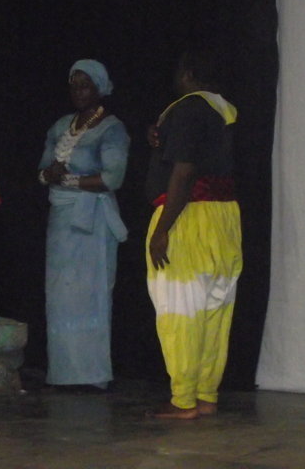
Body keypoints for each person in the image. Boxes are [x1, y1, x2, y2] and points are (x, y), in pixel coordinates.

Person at [145, 49, 241, 419]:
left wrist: (162, 230)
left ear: (187, 74)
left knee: (180, 308)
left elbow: (184, 172)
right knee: (215, 310)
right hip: (224, 219)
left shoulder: (187, 109)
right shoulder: (223, 111)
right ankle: (206, 394)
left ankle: (183, 399)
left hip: (188, 218)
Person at [39, 60, 130, 391]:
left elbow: (112, 178)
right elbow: (42, 170)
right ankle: (64, 373)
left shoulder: (111, 129)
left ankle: (92, 374)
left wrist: (69, 180)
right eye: (74, 86)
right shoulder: (61, 125)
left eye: (85, 85)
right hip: (62, 219)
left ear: (99, 88)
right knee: (61, 294)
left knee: (90, 294)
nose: (78, 92)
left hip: (91, 220)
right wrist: (49, 175)